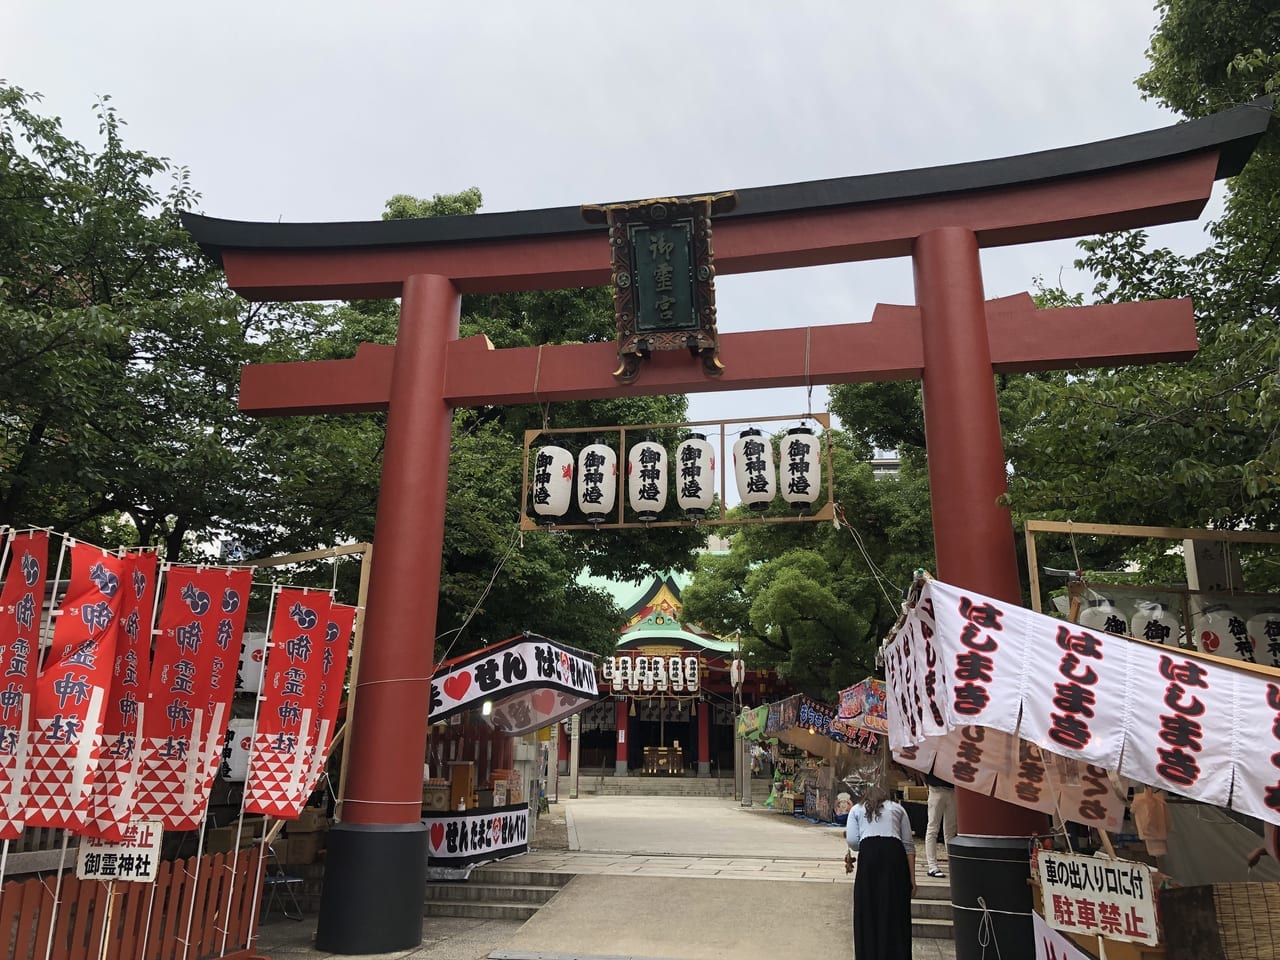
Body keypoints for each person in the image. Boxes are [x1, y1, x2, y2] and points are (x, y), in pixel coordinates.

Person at [846, 784, 916, 960]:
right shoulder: (898, 809)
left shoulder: (856, 809)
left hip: (869, 856)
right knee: (895, 910)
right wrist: (912, 880)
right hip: (894, 856)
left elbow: (853, 842)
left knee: (867, 909)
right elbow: (908, 846)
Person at [923, 771, 956, 878]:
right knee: (933, 828)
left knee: (950, 830)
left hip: (952, 790)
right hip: (936, 788)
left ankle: (952, 863)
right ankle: (932, 865)